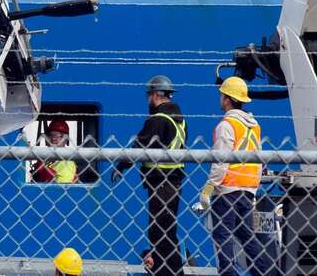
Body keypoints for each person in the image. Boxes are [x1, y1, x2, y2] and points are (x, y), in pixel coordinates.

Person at [111, 75, 186, 276]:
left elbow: (141, 145)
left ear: (155, 95)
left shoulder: (159, 119)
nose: (148, 101)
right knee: (168, 232)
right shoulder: (178, 119)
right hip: (173, 182)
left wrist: (121, 166)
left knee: (159, 232)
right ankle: (173, 271)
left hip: (161, 182)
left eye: (149, 96)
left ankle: (167, 272)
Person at [197, 76, 271, 276]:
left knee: (222, 235)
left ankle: (228, 274)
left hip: (227, 189)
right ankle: (262, 272)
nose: (220, 98)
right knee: (246, 235)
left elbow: (221, 161)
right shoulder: (254, 125)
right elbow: (260, 159)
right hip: (248, 191)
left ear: (227, 99)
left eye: (222, 95)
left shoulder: (226, 125)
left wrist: (208, 190)